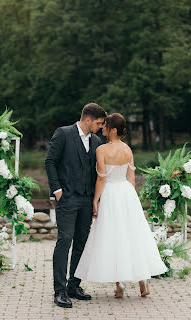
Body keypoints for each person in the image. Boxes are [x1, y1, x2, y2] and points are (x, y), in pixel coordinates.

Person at [75, 113, 167, 298]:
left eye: (106, 125)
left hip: (110, 193)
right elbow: (130, 177)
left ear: (113, 129)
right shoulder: (128, 150)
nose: (103, 128)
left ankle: (120, 285)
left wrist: (95, 200)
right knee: (132, 235)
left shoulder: (101, 150)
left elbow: (101, 178)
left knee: (114, 237)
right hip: (127, 193)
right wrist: (131, 198)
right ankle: (143, 281)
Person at [45, 103, 106, 308]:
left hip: (87, 200)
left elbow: (97, 171)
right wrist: (57, 190)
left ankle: (74, 285)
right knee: (65, 241)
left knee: (81, 243)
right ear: (87, 119)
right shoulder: (63, 134)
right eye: (98, 123)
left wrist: (97, 199)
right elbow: (50, 162)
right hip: (67, 198)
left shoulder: (96, 141)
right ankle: (60, 290)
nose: (100, 127)